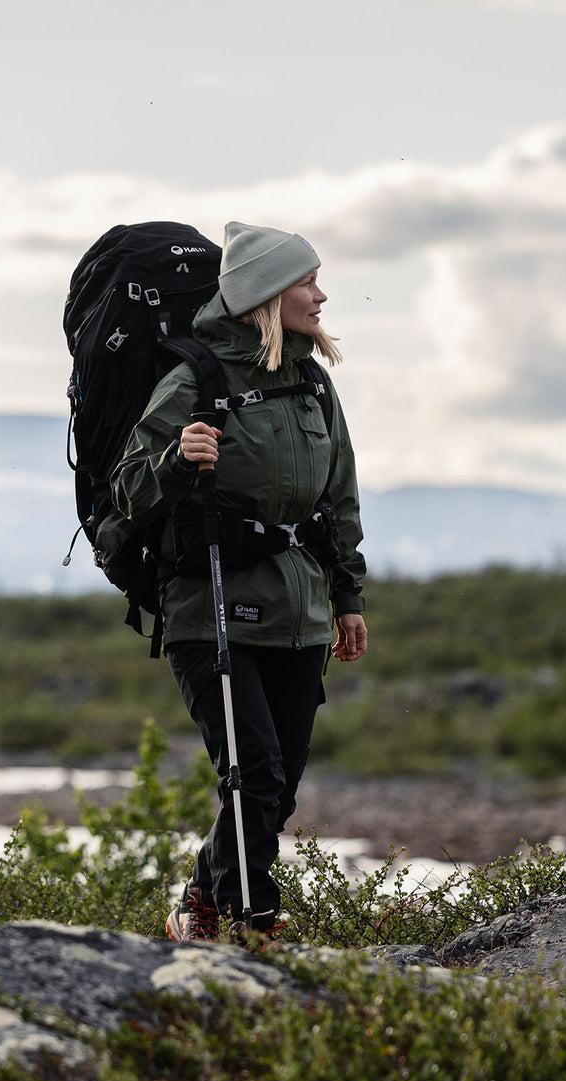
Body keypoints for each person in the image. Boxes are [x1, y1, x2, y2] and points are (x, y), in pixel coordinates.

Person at [112, 221, 368, 941]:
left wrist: (347, 597)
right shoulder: (195, 382)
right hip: (211, 608)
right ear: (263, 296)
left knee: (275, 784)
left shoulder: (313, 384)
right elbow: (130, 488)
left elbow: (339, 498)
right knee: (251, 769)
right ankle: (254, 922)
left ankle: (199, 896)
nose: (321, 294)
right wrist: (177, 459)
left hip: (300, 611)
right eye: (306, 282)